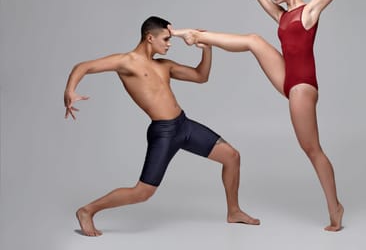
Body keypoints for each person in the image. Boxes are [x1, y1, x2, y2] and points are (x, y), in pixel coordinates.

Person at [170, 0, 352, 231]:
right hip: (286, 76)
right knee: (254, 40)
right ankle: (194, 35)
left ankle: (335, 208)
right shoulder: (281, 16)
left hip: (303, 86)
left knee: (311, 149)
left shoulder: (308, 12)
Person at [64, 16, 260, 237]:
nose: (169, 44)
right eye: (166, 39)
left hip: (184, 126)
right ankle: (87, 211)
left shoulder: (163, 65)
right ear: (150, 37)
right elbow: (83, 66)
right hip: (163, 133)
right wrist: (70, 91)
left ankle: (233, 211)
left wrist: (207, 48)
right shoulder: (126, 62)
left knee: (232, 157)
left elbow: (200, 76)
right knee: (143, 192)